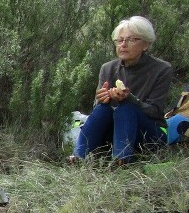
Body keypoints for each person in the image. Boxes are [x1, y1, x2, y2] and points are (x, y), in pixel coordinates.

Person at [70, 16, 173, 164]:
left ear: (146, 44)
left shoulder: (162, 69)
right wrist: (102, 100)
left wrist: (128, 98)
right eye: (119, 40)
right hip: (114, 132)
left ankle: (121, 160)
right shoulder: (108, 68)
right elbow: (97, 112)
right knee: (102, 109)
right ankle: (78, 156)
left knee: (126, 108)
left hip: (149, 134)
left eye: (131, 40)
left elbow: (155, 111)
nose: (123, 45)